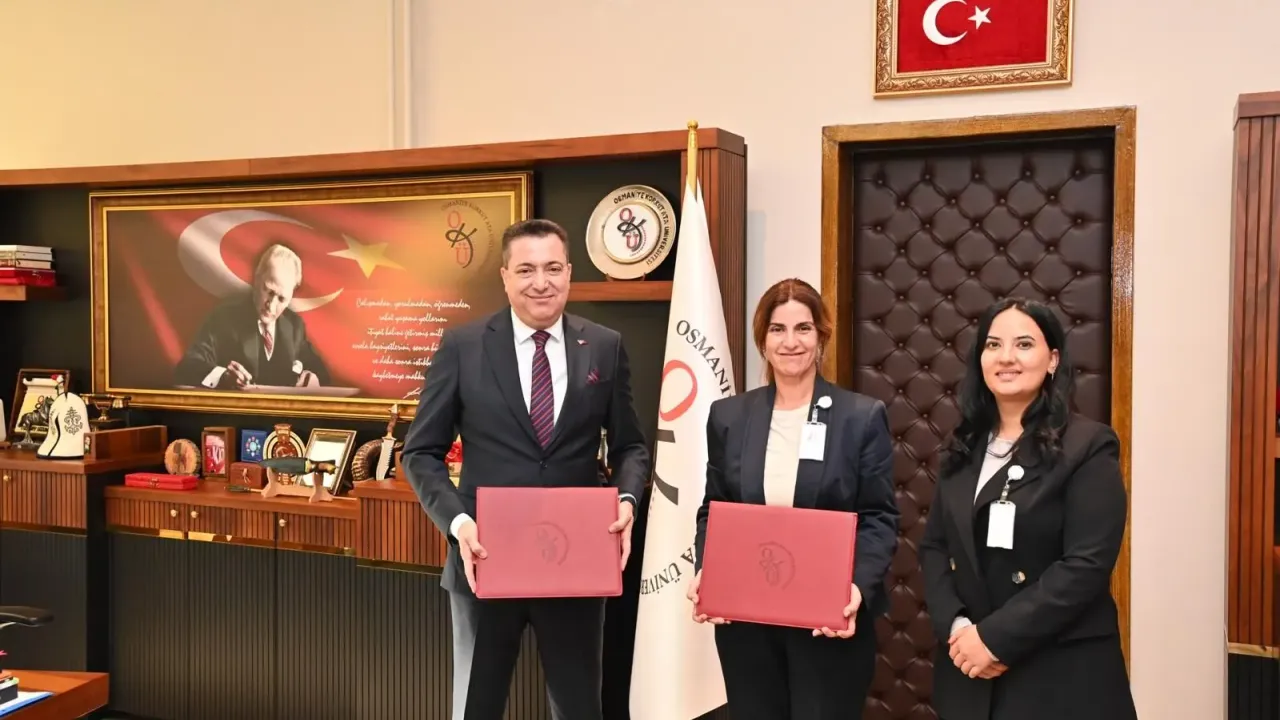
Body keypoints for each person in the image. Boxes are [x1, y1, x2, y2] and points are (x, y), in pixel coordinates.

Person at [401, 218, 650, 720]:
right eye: (527, 270)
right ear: (505, 276)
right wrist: (458, 523)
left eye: (553, 268)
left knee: (580, 708)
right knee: (477, 706)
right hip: (484, 561)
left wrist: (626, 500)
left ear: (569, 272)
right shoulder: (463, 346)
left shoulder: (604, 346)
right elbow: (419, 452)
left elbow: (631, 448)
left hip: (576, 564)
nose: (542, 282)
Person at [686, 277, 900, 720]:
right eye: (777, 329)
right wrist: (709, 571)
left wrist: (855, 588)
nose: (790, 342)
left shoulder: (860, 418)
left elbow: (879, 517)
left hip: (827, 620)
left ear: (821, 336)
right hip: (748, 622)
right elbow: (713, 509)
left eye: (803, 328)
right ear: (762, 340)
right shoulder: (729, 417)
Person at [918, 297, 1137, 720]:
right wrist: (959, 629)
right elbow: (934, 548)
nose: (1006, 357)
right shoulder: (963, 446)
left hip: (1058, 673)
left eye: (1023, 344)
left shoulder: (1088, 446)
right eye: (993, 345)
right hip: (969, 668)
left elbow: (1086, 564)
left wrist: (995, 639)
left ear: (1052, 359)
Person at [174, 243, 329, 389]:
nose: (271, 306)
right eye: (269, 292)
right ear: (257, 279)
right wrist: (224, 376)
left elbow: (321, 373)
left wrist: (313, 378)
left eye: (282, 299)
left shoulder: (294, 326)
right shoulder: (224, 318)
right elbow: (187, 368)